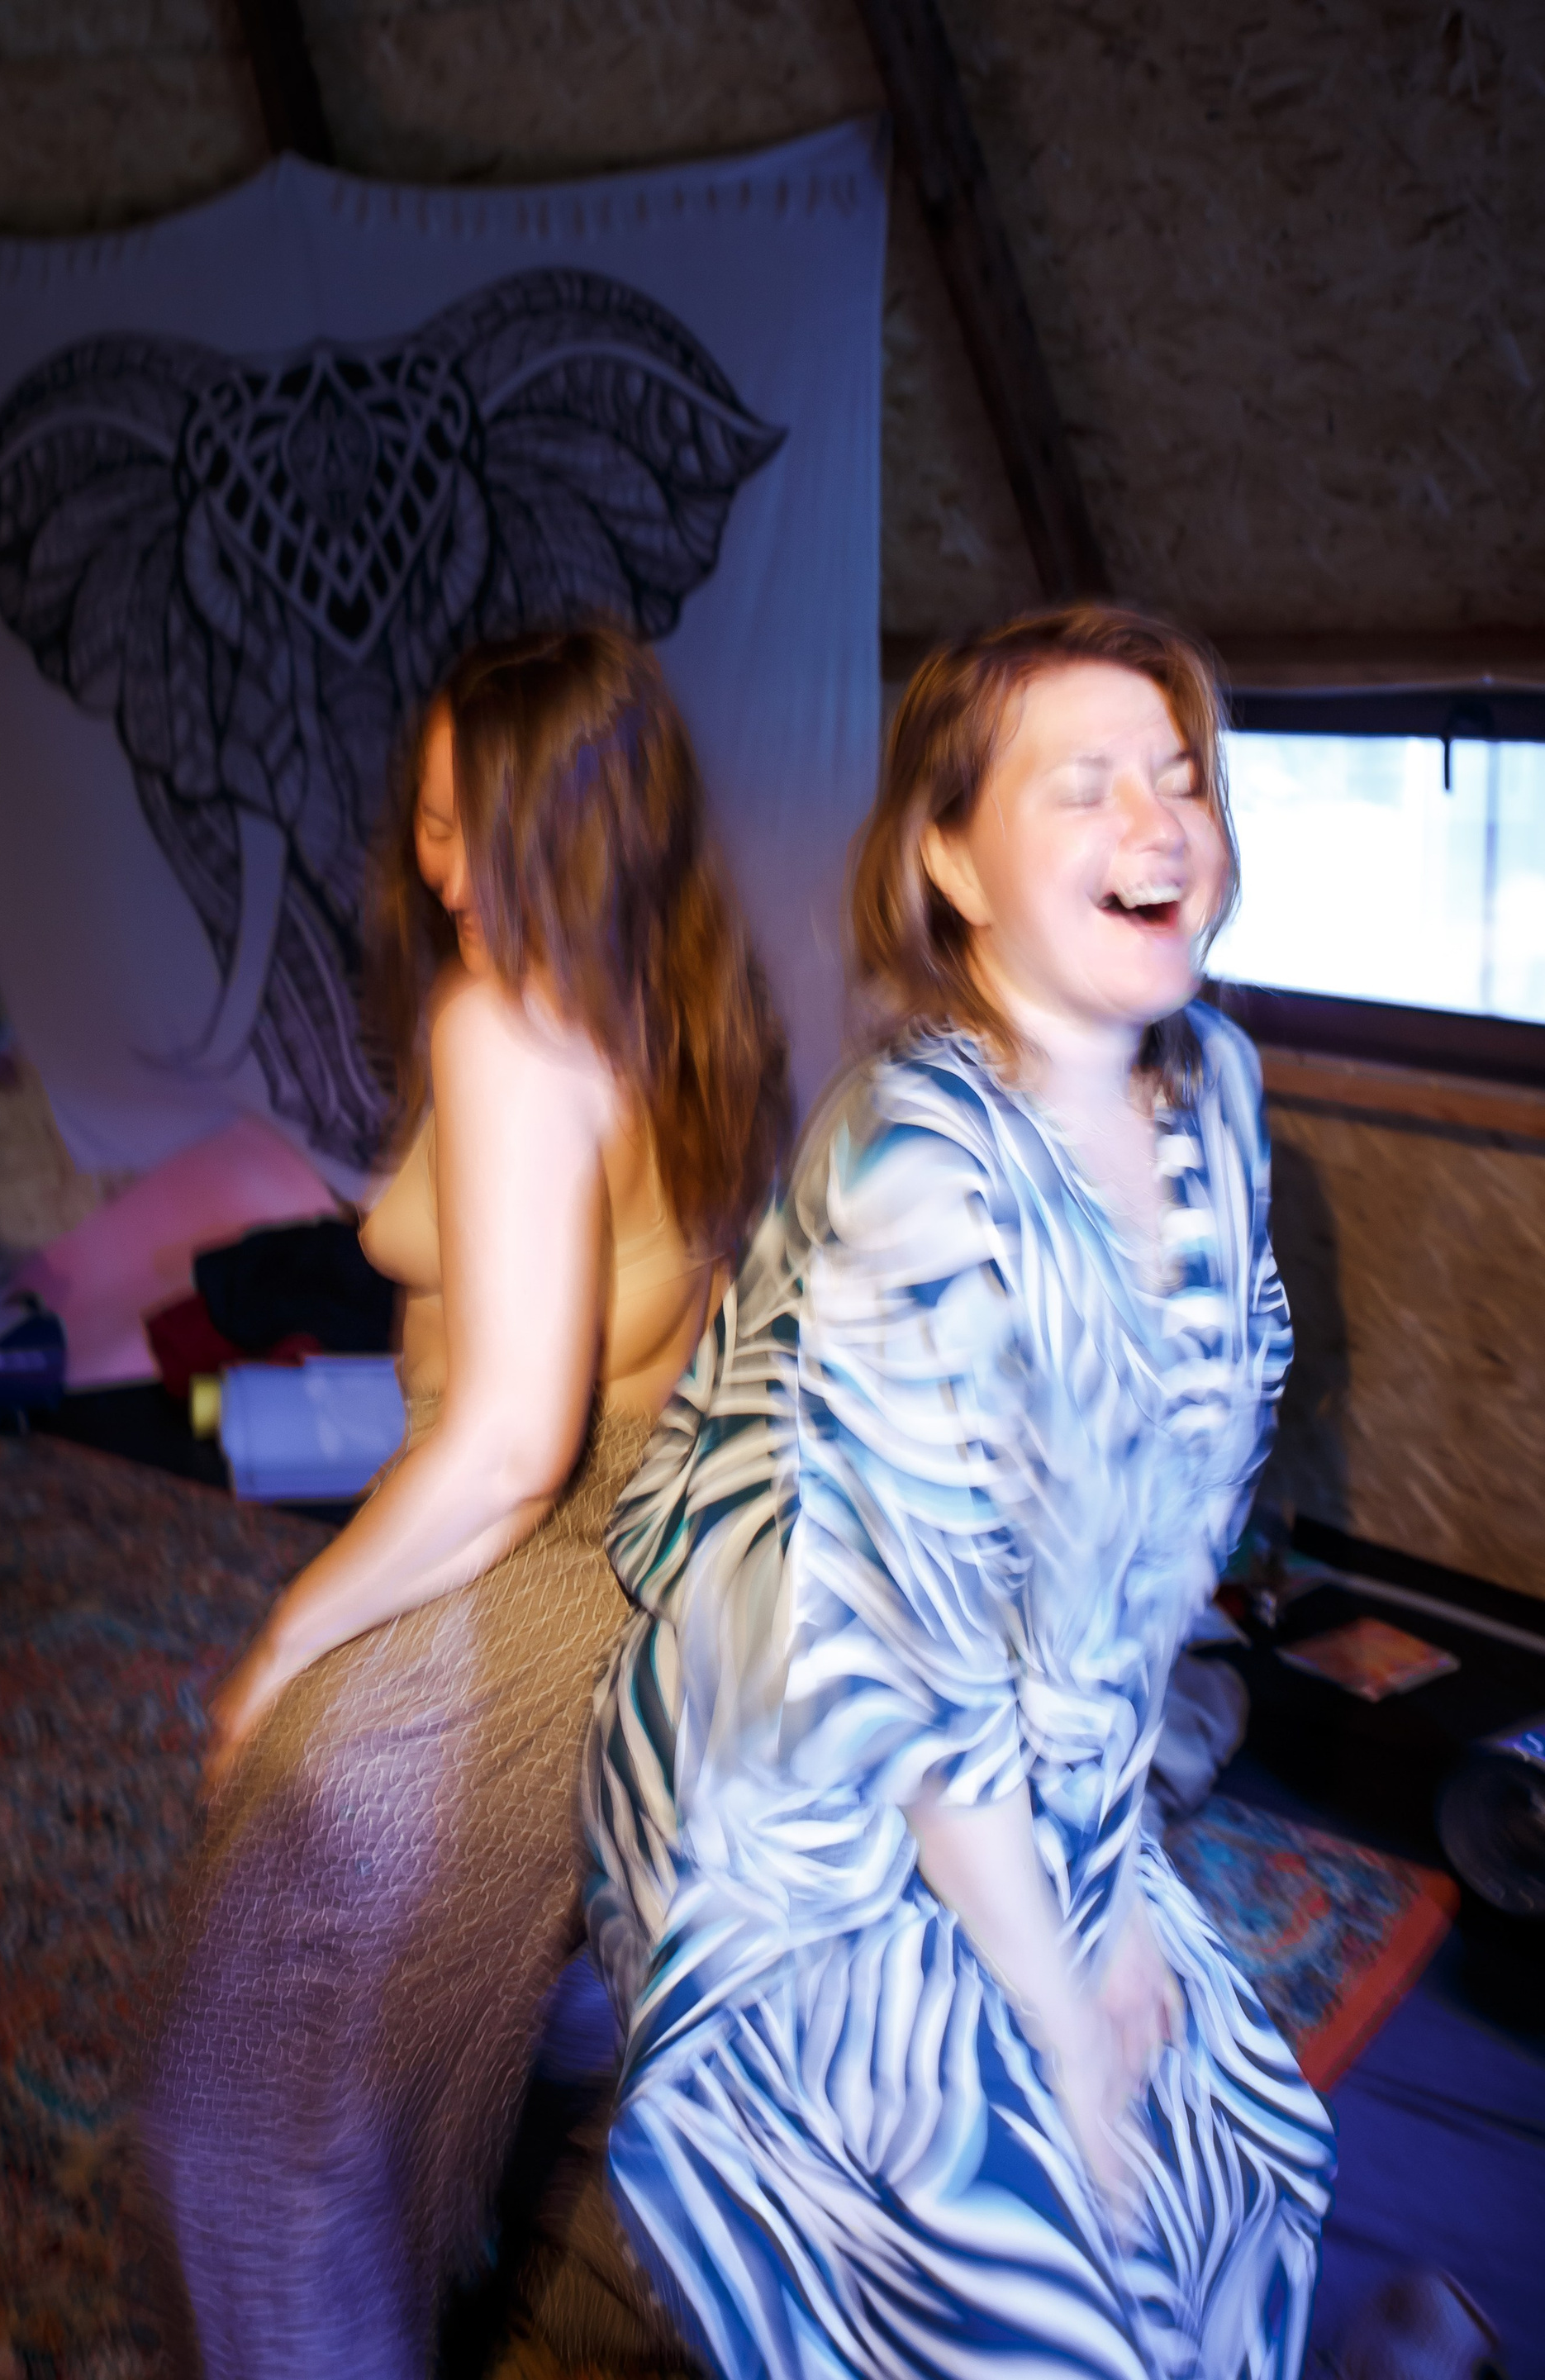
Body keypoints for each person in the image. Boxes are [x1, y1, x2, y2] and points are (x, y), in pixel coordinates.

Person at [583, 604, 1338, 2380]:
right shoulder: (917, 1160)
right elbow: (901, 1677)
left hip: (1040, 1751)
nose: (1159, 825)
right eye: (1085, 786)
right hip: (814, 1774)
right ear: (950, 863)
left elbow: (1164, 1548)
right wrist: (1060, 2007)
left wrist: (1116, 1873)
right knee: (1032, 2253)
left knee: (1229, 2154)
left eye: (1179, 778)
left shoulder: (1219, 1096)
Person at [139, 625, 787, 2378]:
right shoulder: (689, 1003)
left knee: (239, 2133)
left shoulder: (503, 1021)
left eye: (483, 824)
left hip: (536, 1583)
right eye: (430, 821)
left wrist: (290, 1643)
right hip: (658, 1590)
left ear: (597, 822)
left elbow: (506, 1446)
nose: (444, 870)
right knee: (504, 2042)